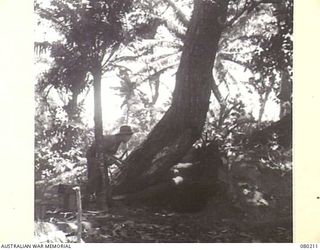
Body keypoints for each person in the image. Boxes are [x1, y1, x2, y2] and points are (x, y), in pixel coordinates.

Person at [86, 125, 134, 199]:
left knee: (102, 181)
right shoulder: (111, 139)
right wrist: (117, 163)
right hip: (93, 157)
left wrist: (116, 162)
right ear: (124, 135)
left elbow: (109, 155)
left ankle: (99, 198)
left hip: (100, 159)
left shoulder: (118, 142)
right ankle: (87, 198)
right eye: (129, 136)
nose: (129, 138)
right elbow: (101, 152)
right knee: (94, 177)